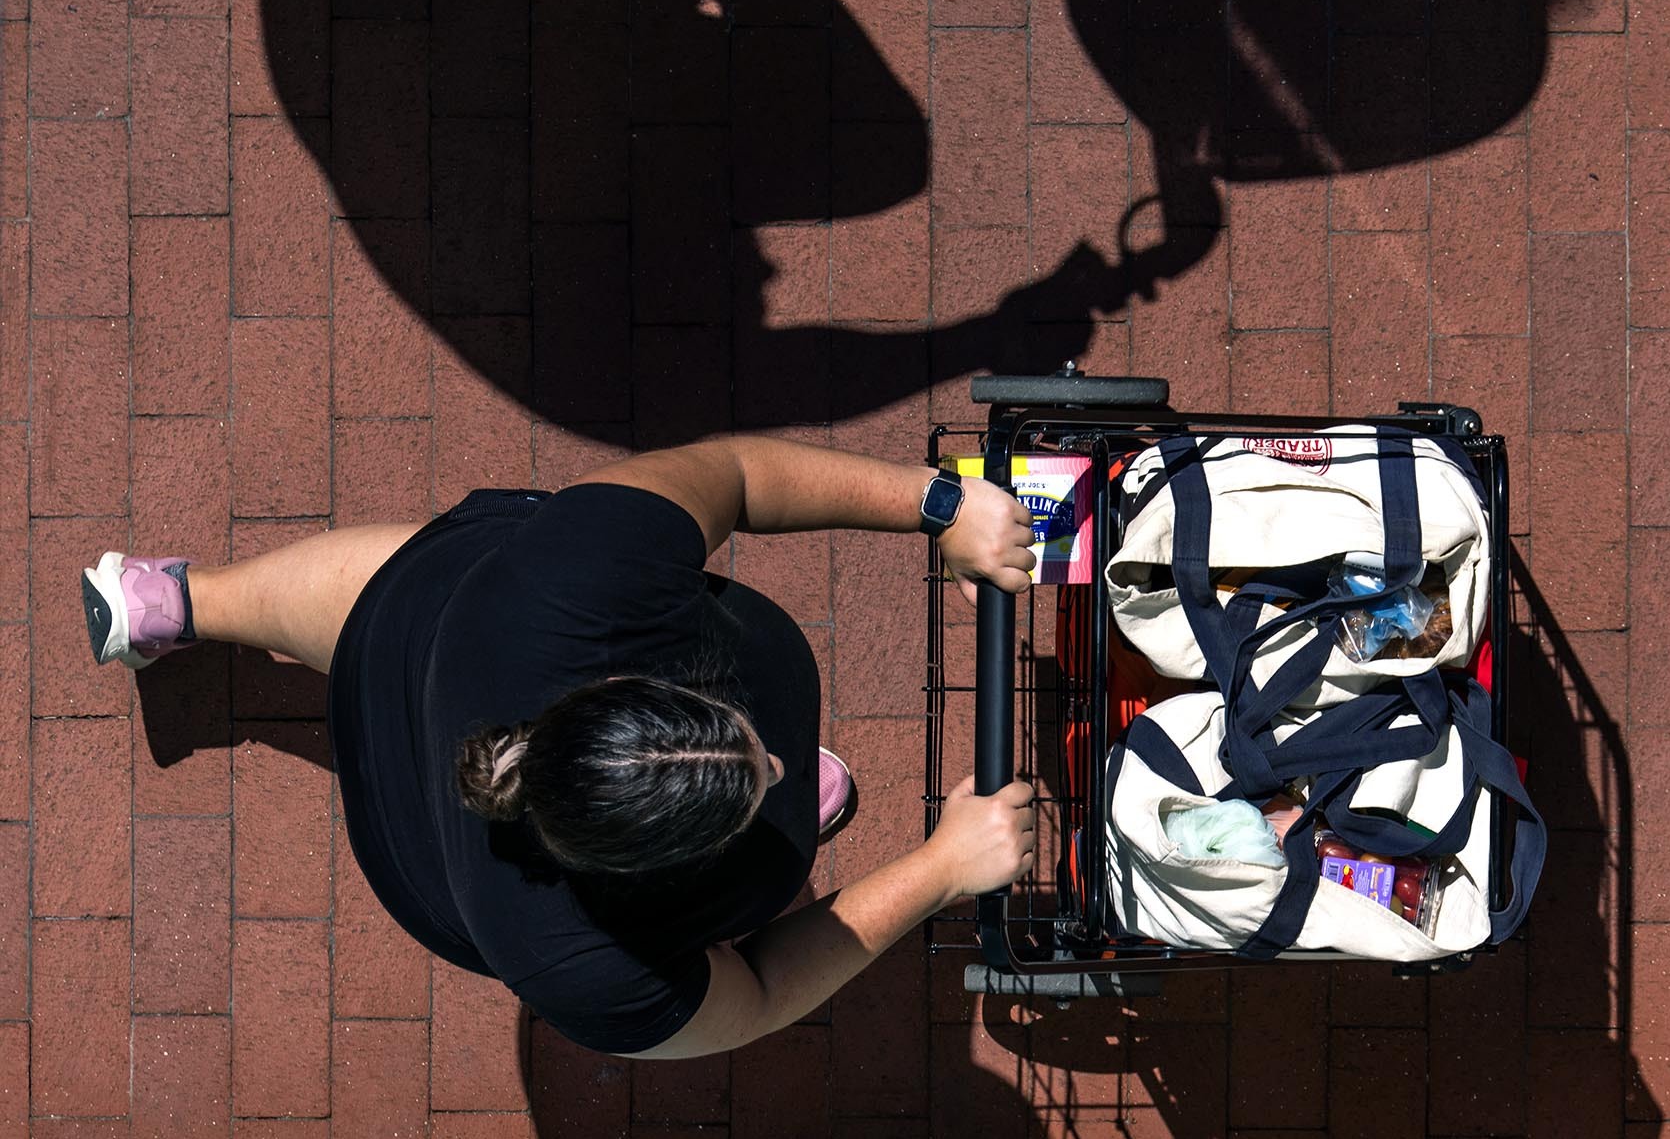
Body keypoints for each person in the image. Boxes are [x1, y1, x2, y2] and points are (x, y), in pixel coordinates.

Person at [80, 436, 1041, 1059]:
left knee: (386, 615)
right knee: (389, 624)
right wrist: (942, 870)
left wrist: (940, 506)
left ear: (635, 683)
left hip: (435, 631)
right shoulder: (576, 962)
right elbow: (749, 1000)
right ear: (636, 870)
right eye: (754, 784)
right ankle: (184, 604)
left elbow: (739, 475)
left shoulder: (577, 575)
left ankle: (188, 603)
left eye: (748, 752)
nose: (785, 759)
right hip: (422, 841)